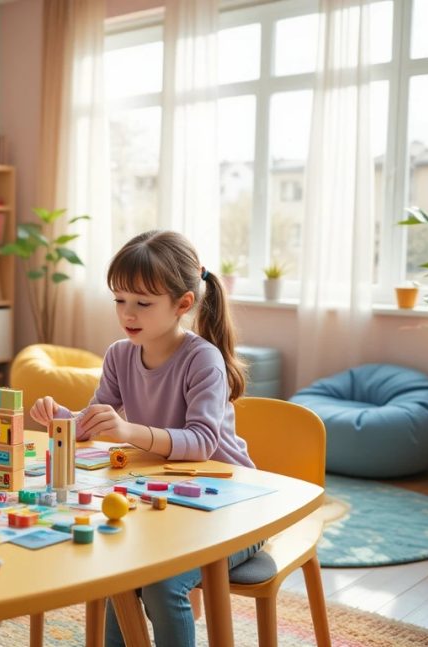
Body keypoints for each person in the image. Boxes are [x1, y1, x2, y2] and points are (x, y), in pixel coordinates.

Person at [30, 230, 258, 647]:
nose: (127, 313)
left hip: (234, 505)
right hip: (167, 500)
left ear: (183, 304)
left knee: (162, 585)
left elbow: (203, 441)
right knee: (118, 568)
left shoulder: (202, 359)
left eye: (142, 303)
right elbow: (92, 421)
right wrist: (59, 418)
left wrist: (128, 431)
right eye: (120, 300)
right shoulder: (119, 354)